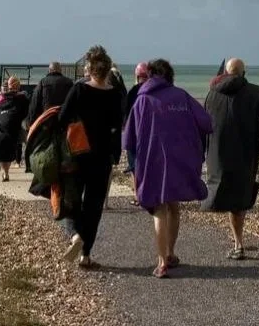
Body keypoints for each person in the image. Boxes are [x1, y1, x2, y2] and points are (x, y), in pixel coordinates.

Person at [124, 58, 213, 278]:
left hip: (152, 160)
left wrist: (134, 165)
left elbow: (130, 138)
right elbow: (206, 122)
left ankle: (162, 261)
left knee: (159, 208)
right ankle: (170, 253)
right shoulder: (182, 96)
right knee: (173, 206)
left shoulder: (142, 99)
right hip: (180, 158)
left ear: (149, 76)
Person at [201, 57, 259, 259]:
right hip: (246, 151)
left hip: (217, 154)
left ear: (225, 73)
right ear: (243, 73)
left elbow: (203, 125)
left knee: (226, 193)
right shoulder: (257, 93)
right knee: (240, 199)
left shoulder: (211, 94)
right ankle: (238, 243)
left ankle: (238, 243)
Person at [58, 46, 125, 269]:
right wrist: (114, 154)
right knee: (94, 207)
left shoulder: (79, 89)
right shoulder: (115, 94)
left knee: (72, 200)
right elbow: (118, 125)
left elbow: (62, 118)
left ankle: (75, 235)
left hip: (77, 154)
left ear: (89, 68)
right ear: (107, 70)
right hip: (102, 156)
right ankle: (85, 255)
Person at [123, 62, 150, 206]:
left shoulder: (134, 91)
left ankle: (138, 195)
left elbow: (127, 114)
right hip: (150, 134)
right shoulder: (154, 91)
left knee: (134, 166)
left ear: (137, 76)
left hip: (135, 133)